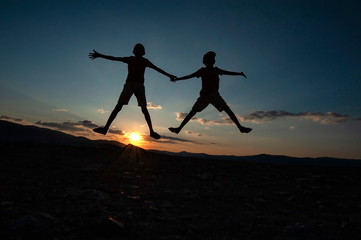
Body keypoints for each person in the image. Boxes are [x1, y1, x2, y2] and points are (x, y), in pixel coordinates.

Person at [89, 43, 176, 139]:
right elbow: (114, 58)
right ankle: (106, 128)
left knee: (138, 109)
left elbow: (157, 69)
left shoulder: (140, 61)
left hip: (135, 85)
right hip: (132, 85)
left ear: (140, 52)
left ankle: (150, 131)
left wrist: (169, 75)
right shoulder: (133, 59)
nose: (138, 52)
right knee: (124, 107)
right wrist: (100, 55)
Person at [169, 51, 252, 134]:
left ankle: (240, 127)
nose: (211, 61)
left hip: (214, 95)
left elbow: (228, 72)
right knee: (192, 112)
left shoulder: (216, 70)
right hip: (205, 96)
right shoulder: (202, 71)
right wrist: (177, 79)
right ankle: (179, 129)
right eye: (209, 60)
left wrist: (239, 73)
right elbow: (189, 76)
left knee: (227, 110)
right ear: (205, 62)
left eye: (212, 59)